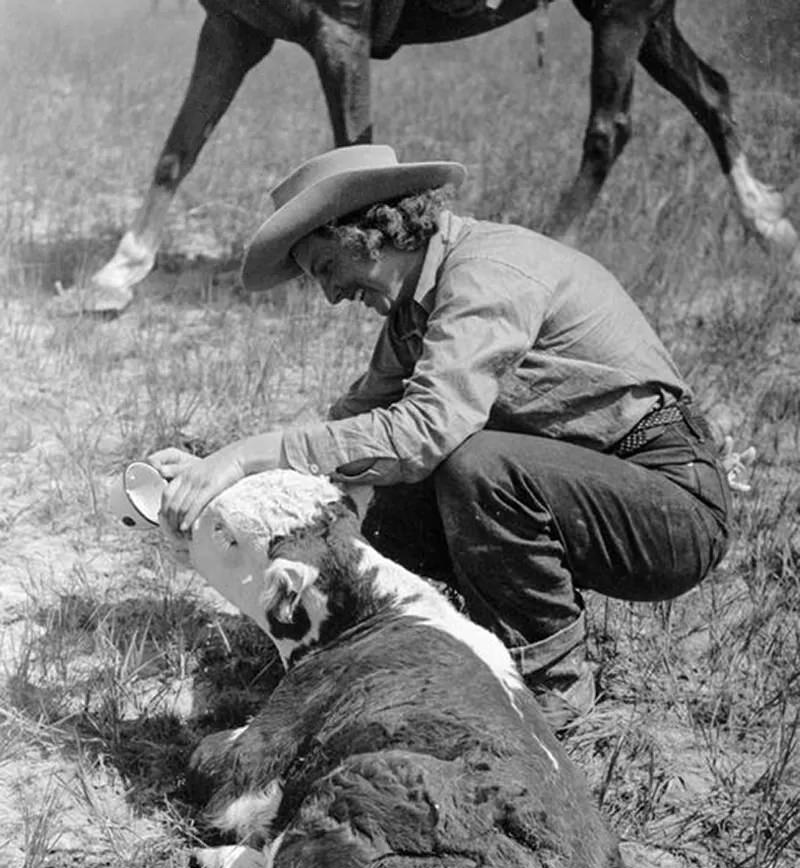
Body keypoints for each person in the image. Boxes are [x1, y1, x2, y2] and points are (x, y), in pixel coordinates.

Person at [151, 144, 733, 729]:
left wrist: (246, 454)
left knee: (472, 466)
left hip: (671, 508)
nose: (331, 296)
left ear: (368, 230)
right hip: (588, 494)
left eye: (327, 268)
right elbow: (341, 436)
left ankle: (551, 684)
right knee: (368, 504)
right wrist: (220, 478)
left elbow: (425, 432)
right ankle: (452, 643)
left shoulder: (486, 271)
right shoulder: (411, 312)